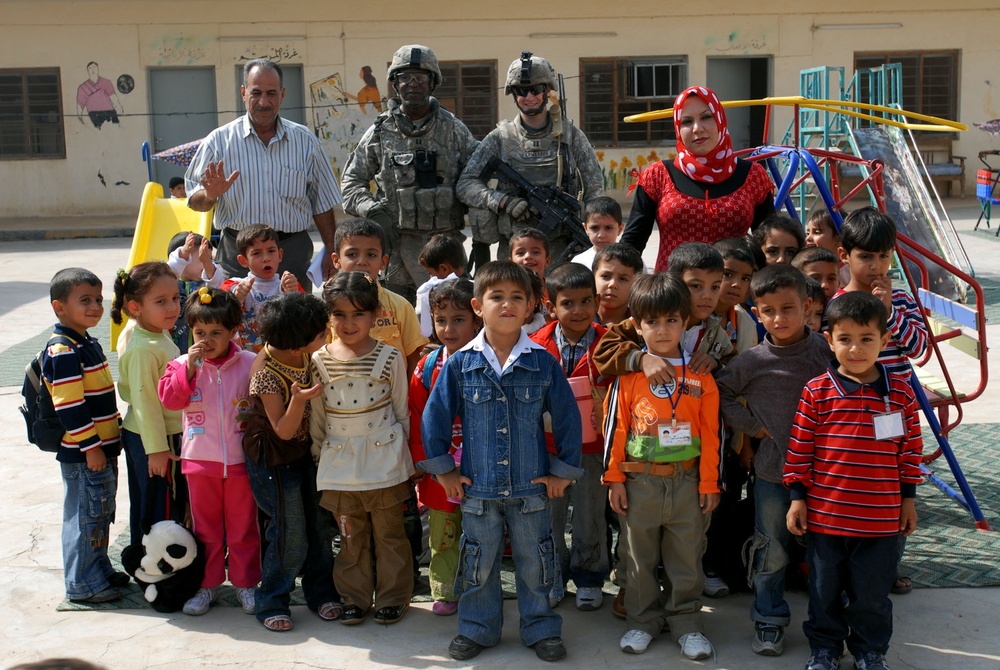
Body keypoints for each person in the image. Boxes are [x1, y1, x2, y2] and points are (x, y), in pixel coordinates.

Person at [419, 261, 585, 663]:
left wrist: (563, 472)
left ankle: (541, 627)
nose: (507, 304)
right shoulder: (462, 363)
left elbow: (567, 419)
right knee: (478, 562)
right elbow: (435, 417)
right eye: (497, 297)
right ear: (478, 305)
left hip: (532, 489)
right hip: (478, 490)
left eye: (517, 297)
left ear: (530, 307)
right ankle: (478, 628)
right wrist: (445, 470)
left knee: (537, 562)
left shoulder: (542, 363)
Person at [785, 291, 923, 670]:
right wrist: (798, 498)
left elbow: (910, 452)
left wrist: (907, 500)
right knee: (823, 590)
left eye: (867, 339)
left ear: (884, 340)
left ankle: (869, 650)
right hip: (827, 520)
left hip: (881, 522)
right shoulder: (817, 392)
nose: (856, 349)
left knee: (872, 595)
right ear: (829, 340)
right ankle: (825, 648)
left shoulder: (901, 394)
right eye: (845, 339)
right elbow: (800, 449)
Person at [714, 264, 832, 657]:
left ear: (808, 305)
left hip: (827, 475)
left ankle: (827, 626)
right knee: (771, 548)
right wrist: (754, 427)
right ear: (758, 311)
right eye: (768, 311)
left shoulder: (825, 351)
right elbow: (721, 392)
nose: (779, 319)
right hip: (772, 474)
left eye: (788, 308)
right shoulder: (753, 360)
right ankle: (768, 619)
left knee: (826, 552)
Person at [603, 272, 721, 659]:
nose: (663, 329)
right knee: (638, 558)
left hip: (687, 482)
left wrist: (708, 484)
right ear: (637, 325)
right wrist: (614, 478)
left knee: (686, 557)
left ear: (685, 322)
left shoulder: (701, 375)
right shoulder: (629, 375)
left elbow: (712, 434)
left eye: (672, 320)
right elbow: (616, 428)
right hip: (641, 483)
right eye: (652, 321)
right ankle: (643, 622)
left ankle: (686, 622)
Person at [310, 272, 415, 626]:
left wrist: (407, 460)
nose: (349, 323)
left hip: (384, 459)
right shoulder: (320, 360)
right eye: (339, 314)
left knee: (389, 532)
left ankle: (393, 596)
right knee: (349, 535)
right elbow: (319, 417)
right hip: (340, 462)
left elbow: (402, 410)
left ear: (374, 315)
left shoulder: (390, 357)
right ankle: (353, 597)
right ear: (329, 316)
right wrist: (317, 455)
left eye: (358, 314)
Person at [184, 58, 342, 291]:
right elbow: (193, 200)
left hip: (292, 255)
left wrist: (331, 249)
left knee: (296, 323)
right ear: (243, 93)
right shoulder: (218, 142)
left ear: (282, 94)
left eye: (271, 93)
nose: (263, 102)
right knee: (235, 324)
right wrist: (209, 196)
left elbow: (323, 203)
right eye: (256, 92)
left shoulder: (305, 141)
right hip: (238, 257)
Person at [340, 45, 479, 304]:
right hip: (397, 249)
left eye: (420, 77)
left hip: (446, 249)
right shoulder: (380, 132)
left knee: (454, 315)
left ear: (432, 82)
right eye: (405, 77)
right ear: (395, 83)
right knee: (398, 321)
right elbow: (350, 182)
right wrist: (372, 209)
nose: (412, 84)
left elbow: (478, 179)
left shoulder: (454, 130)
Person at [156, 288, 260, 616]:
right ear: (190, 331)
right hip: (200, 463)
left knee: (244, 527)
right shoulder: (180, 365)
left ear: (233, 331)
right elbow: (171, 401)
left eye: (217, 333)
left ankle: (246, 584)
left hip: (242, 463)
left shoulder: (249, 363)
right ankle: (208, 584)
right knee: (206, 530)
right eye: (201, 333)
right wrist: (187, 370)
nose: (208, 340)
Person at [245, 293, 341, 632]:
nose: (327, 336)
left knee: (319, 525)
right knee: (290, 532)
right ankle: (272, 599)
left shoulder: (304, 356)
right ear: (300, 344)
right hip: (275, 460)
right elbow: (283, 431)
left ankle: (321, 592)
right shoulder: (265, 372)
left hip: (305, 453)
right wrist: (298, 401)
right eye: (321, 333)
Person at [457, 52, 603, 262]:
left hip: (561, 248)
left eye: (535, 89)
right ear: (513, 94)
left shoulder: (570, 136)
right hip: (514, 249)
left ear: (547, 91)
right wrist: (503, 201)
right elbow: (465, 185)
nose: (529, 97)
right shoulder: (500, 138)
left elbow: (594, 189)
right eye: (521, 91)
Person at [621, 86, 775, 270]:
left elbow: (770, 243)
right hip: (673, 293)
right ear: (678, 128)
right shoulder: (658, 175)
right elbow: (632, 242)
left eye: (706, 117)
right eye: (686, 121)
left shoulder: (753, 175)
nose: (697, 128)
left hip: (732, 293)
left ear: (720, 119)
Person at [42, 268, 125, 604]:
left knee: (101, 512)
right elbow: (70, 406)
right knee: (85, 515)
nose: (95, 307)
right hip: (84, 453)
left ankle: (98, 570)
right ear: (59, 307)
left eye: (99, 300)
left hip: (100, 448)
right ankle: (81, 583)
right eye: (85, 300)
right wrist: (91, 447)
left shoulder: (85, 341)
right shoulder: (63, 349)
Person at [529, 263, 609, 611]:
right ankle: (552, 577)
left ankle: (590, 577)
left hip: (594, 447)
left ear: (596, 302)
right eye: (568, 303)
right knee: (549, 516)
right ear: (550, 306)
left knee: (591, 513)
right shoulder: (535, 345)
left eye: (586, 302)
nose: (578, 311)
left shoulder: (611, 343)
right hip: (547, 449)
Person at [407, 278, 481, 616]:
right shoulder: (426, 367)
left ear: (477, 318)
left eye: (458, 319)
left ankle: (481, 587)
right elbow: (417, 420)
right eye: (440, 320)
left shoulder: (491, 359)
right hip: (440, 473)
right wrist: (430, 468)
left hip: (482, 469)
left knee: (483, 533)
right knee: (443, 534)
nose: (448, 329)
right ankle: (446, 591)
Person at [111, 262, 186, 545]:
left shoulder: (158, 333)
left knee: (162, 502)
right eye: (161, 301)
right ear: (135, 307)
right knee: (156, 507)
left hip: (162, 435)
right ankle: (152, 569)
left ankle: (159, 565)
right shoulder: (143, 347)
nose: (172, 307)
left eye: (175, 298)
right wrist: (156, 450)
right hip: (151, 438)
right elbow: (145, 403)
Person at [329, 218, 428, 374]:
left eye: (371, 255)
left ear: (383, 262)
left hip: (391, 395)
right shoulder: (327, 310)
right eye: (352, 254)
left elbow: (413, 359)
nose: (361, 262)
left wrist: (408, 398)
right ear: (337, 260)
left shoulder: (400, 306)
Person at [220, 224, 304, 354]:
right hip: (243, 359)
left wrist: (294, 294)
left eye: (271, 251)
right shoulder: (236, 285)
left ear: (280, 254)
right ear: (243, 260)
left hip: (282, 357)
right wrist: (236, 297)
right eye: (257, 253)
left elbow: (306, 317)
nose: (266, 258)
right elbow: (219, 311)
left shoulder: (288, 285)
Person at [165, 232, 225, 353]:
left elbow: (216, 281)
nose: (207, 262)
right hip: (174, 348)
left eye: (208, 258)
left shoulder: (208, 283)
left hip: (204, 348)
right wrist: (184, 253)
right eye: (201, 258)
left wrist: (206, 263)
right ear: (185, 259)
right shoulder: (170, 282)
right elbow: (166, 273)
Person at [415, 234, 468, 338]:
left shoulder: (432, 293)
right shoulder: (476, 289)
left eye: (430, 272)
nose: (430, 278)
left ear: (444, 269)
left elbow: (424, 331)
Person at [592, 243, 644, 326]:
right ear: (593, 277)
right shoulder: (577, 321)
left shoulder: (642, 326)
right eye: (605, 276)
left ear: (636, 284)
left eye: (623, 279)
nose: (612, 284)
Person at [572, 197, 624, 270]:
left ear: (620, 229)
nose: (601, 235)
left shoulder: (630, 261)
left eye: (608, 228)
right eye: (594, 228)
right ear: (586, 229)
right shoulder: (579, 263)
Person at [76, 62, 123, 129]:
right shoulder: (82, 87)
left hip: (109, 112)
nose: (93, 70)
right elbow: (80, 106)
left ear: (98, 69)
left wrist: (119, 107)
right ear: (87, 71)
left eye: (94, 67)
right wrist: (81, 120)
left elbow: (113, 97)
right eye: (90, 68)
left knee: (116, 131)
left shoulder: (106, 82)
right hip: (94, 115)